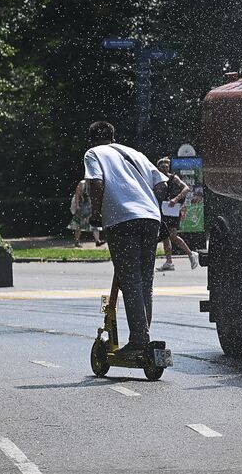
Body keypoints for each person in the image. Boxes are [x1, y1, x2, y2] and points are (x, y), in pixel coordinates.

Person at [83, 121, 169, 359]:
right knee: (145, 282)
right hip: (150, 218)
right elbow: (162, 183)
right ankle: (144, 336)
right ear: (113, 136)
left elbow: (96, 182)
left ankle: (139, 340)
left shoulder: (93, 154)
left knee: (130, 281)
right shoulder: (135, 153)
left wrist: (96, 214)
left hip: (121, 219)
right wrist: (152, 204)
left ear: (91, 139)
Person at [154, 157, 197, 271]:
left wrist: (176, 199)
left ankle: (191, 254)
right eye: (162, 167)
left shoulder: (173, 178)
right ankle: (169, 262)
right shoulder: (156, 178)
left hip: (172, 209)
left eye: (166, 167)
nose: (164, 169)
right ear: (158, 168)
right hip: (162, 210)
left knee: (172, 235)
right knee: (165, 237)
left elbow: (186, 188)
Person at [67, 179, 103, 247]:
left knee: (95, 224)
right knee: (78, 224)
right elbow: (77, 194)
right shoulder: (82, 183)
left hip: (91, 207)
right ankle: (77, 241)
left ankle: (97, 241)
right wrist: (77, 205)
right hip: (82, 207)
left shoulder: (95, 183)